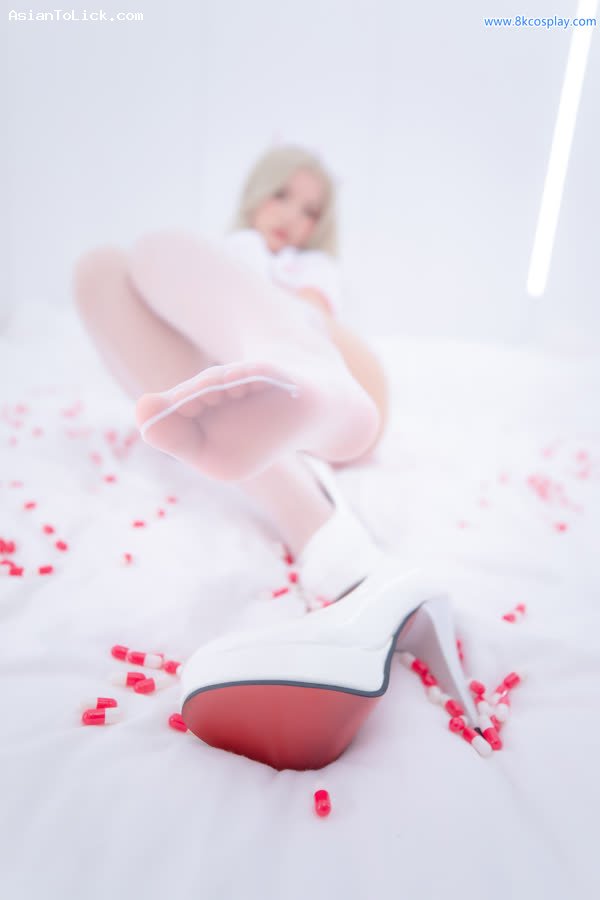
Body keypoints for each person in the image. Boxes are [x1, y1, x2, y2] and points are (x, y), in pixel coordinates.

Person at [72, 144, 390, 607]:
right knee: (99, 269)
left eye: (310, 212)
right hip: (261, 402)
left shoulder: (309, 267)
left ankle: (302, 374)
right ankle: (311, 522)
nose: (291, 216)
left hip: (346, 375)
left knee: (160, 248)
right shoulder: (226, 254)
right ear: (257, 191)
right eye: (281, 195)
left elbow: (313, 309)